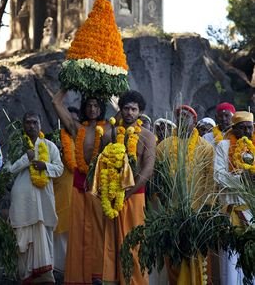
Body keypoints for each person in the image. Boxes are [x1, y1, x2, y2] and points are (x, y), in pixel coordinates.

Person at [53, 89, 111, 285]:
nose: (93, 109)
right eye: (89, 105)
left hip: (99, 186)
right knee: (78, 230)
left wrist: (110, 89)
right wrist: (67, 86)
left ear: (101, 108)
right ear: (84, 108)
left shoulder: (109, 129)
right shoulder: (78, 129)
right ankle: (79, 277)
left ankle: (99, 275)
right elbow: (56, 104)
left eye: (96, 105)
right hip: (79, 184)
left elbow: (126, 112)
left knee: (99, 231)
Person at [103, 90, 156, 285]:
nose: (129, 113)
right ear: (120, 110)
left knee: (134, 244)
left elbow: (148, 169)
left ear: (140, 112)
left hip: (135, 197)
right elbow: (102, 165)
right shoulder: (111, 135)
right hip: (112, 197)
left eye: (134, 109)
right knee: (112, 243)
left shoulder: (147, 136)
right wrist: (113, 192)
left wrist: (128, 192)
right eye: (126, 108)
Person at [157, 105, 215, 284]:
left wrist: (206, 208)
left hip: (197, 212)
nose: (182, 121)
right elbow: (158, 179)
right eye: (179, 118)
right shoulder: (164, 146)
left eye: (186, 118)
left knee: (197, 256)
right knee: (173, 255)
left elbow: (210, 181)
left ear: (195, 122)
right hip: (171, 211)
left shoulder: (205, 147)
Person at [8, 112, 64, 284]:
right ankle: (25, 276)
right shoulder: (17, 146)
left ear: (40, 125)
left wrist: (45, 165)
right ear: (23, 125)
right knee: (22, 240)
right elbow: (7, 170)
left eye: (35, 122)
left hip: (42, 201)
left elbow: (59, 169)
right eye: (28, 122)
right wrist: (26, 159)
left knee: (43, 235)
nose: (31, 126)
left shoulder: (49, 146)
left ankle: (44, 278)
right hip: (22, 202)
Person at [214, 111, 255, 285]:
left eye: (249, 128)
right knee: (231, 264)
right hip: (231, 211)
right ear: (234, 129)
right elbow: (218, 175)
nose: (246, 131)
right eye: (242, 128)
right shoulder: (223, 146)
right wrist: (241, 179)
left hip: (252, 212)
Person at [53, 106, 80, 275]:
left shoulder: (86, 139)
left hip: (79, 193)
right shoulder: (55, 142)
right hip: (60, 193)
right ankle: (59, 270)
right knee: (59, 234)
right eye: (67, 119)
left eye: (73, 120)